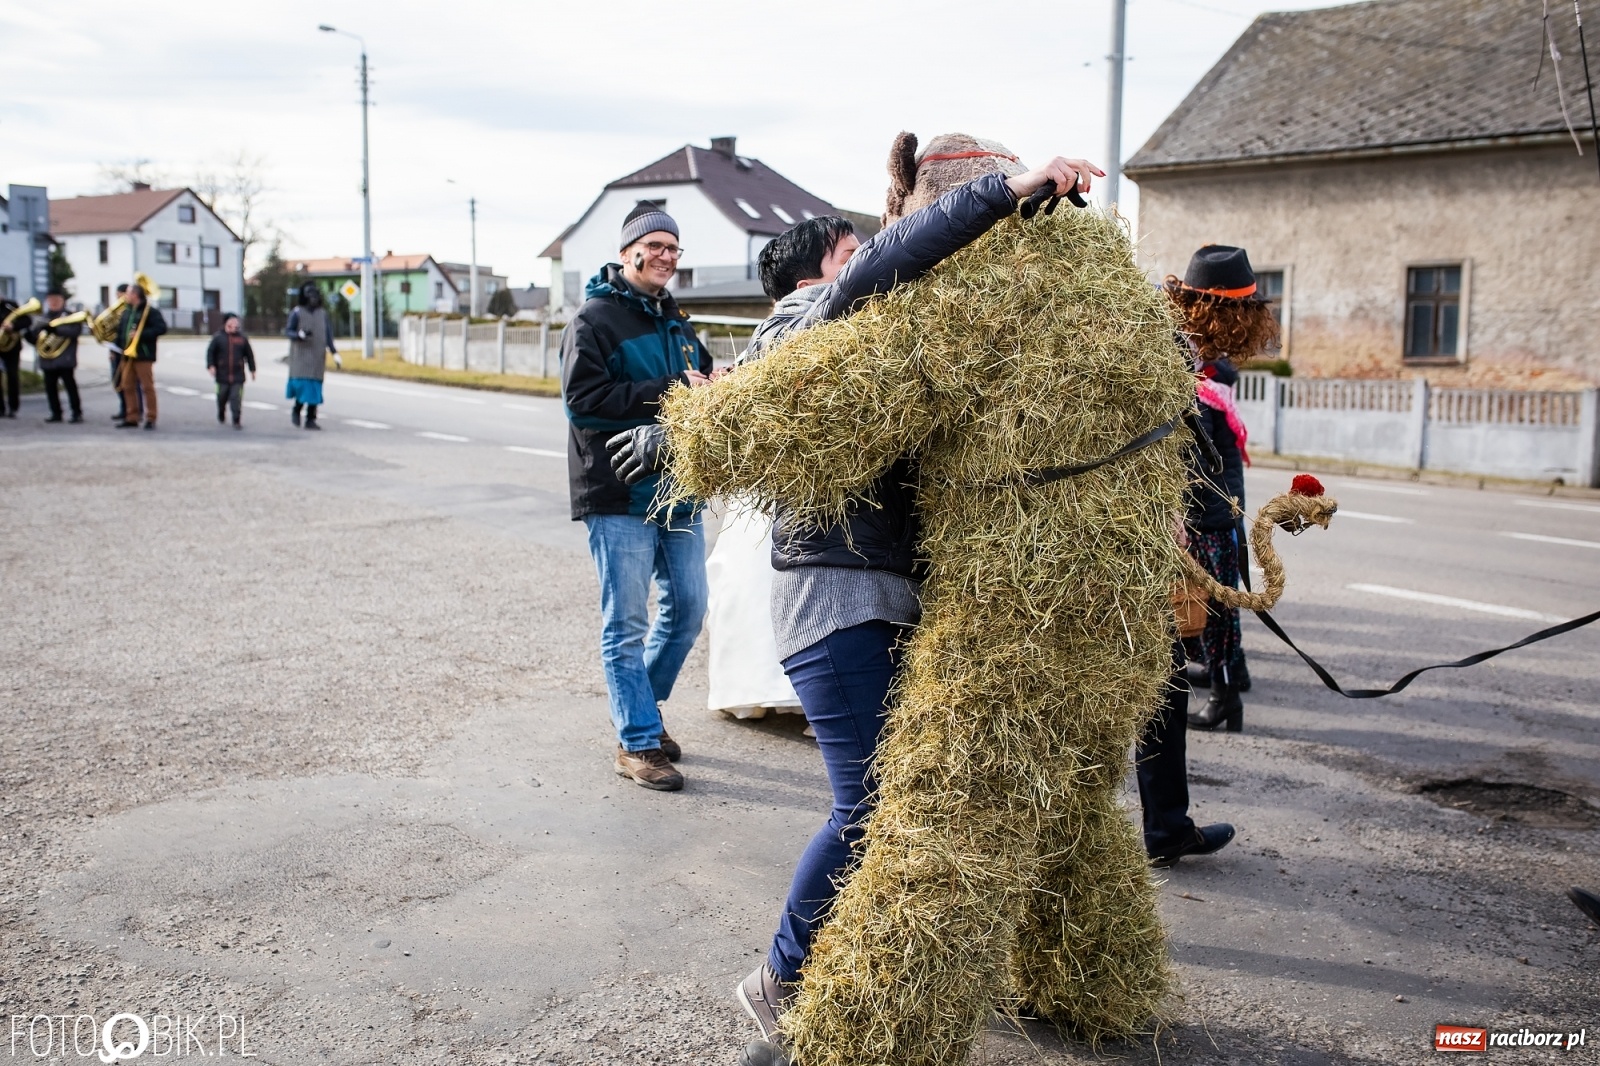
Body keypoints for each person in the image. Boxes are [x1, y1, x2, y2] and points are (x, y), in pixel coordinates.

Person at [608, 148, 1103, 1049]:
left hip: (890, 592)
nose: (873, 256)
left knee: (913, 800)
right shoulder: (812, 315)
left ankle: (885, 968)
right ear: (817, 271)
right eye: (851, 253)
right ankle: (779, 978)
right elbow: (883, 266)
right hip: (834, 594)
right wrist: (1003, 193)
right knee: (870, 806)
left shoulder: (893, 329)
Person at [561, 202, 714, 792]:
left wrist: (711, 385)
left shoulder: (677, 324)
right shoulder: (594, 320)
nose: (667, 258)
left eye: (674, 249)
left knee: (689, 607)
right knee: (625, 621)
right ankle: (637, 742)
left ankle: (641, 713)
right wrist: (673, 388)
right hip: (618, 488)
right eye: (656, 247)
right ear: (628, 253)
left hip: (678, 486)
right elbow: (585, 401)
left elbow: (694, 380)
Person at [1167, 246, 1276, 731]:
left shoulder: (1202, 370)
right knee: (1211, 602)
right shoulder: (1204, 362)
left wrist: (1183, 511)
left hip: (1210, 505)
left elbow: (1197, 452)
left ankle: (1227, 694)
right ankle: (1232, 682)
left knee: (1216, 605)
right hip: (1218, 499)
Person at [115, 280, 167, 430]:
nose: (126, 296)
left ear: (136, 294)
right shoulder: (127, 311)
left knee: (147, 387)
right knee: (127, 386)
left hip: (143, 354)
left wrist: (140, 334)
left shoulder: (150, 311)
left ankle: (151, 417)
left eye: (128, 293)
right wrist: (117, 347)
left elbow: (161, 328)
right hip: (127, 355)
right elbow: (121, 331)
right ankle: (132, 417)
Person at [285, 283, 337, 430]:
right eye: (310, 296)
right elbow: (288, 331)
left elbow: (328, 335)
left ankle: (310, 419)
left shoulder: (323, 314)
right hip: (301, 358)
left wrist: (334, 352)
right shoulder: (297, 312)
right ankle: (297, 409)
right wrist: (298, 335)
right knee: (303, 388)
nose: (313, 299)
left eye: (315, 296)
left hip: (317, 357)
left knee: (314, 390)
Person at [206, 313, 256, 429]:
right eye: (232, 322)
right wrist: (211, 366)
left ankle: (236, 419)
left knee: (236, 398)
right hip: (222, 375)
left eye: (236, 322)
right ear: (226, 323)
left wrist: (252, 370)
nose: (235, 324)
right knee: (221, 396)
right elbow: (210, 353)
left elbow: (249, 355)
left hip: (238, 375)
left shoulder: (242, 339)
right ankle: (221, 411)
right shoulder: (218, 338)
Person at [107, 283, 128, 424]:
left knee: (129, 383)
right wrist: (111, 349)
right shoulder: (116, 312)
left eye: (121, 295)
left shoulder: (131, 311)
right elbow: (112, 332)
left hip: (127, 352)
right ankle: (123, 408)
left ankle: (130, 410)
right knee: (117, 381)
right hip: (116, 349)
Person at [0, 299, 22, 419]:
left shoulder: (10, 305)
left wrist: (13, 326)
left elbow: (26, 321)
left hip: (11, 348)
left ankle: (13, 407)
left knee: (12, 377)